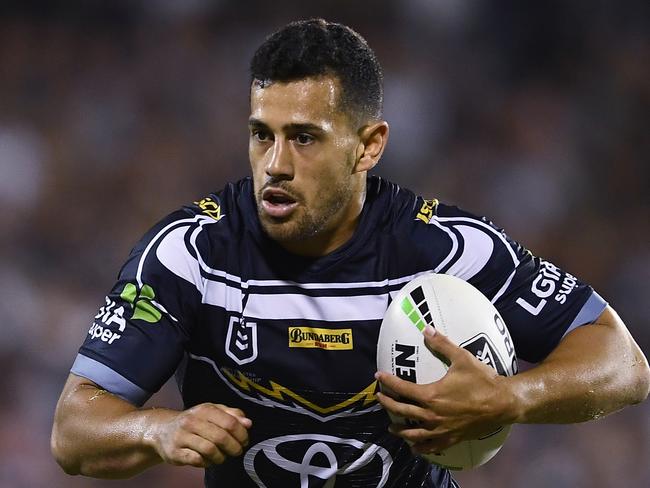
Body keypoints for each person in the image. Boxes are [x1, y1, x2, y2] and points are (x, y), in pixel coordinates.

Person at [51, 18, 649, 487]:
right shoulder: (192, 254)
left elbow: (623, 361)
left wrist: (514, 397)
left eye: (304, 138)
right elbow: (73, 431)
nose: (276, 165)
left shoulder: (444, 249)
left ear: (369, 146)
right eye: (263, 134)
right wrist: (160, 428)